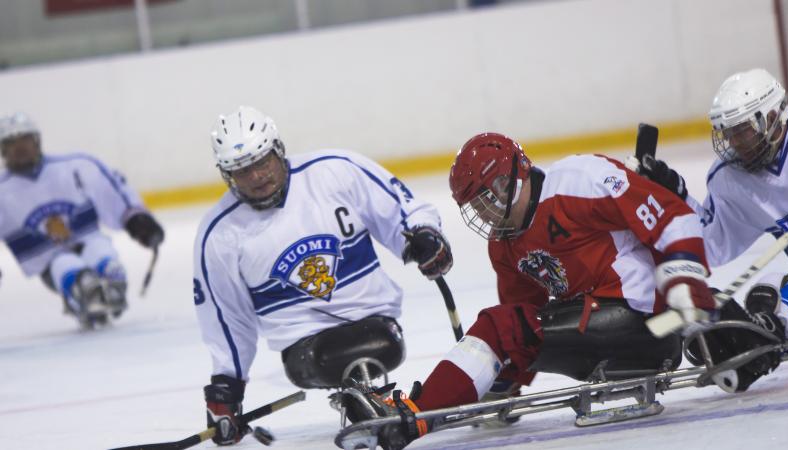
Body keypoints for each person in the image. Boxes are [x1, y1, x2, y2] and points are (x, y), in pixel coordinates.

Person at [341, 132, 787, 450]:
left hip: (643, 320)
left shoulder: (579, 179)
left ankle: (412, 414)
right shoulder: (503, 244)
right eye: (475, 205)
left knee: (496, 325)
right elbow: (521, 321)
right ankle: (423, 411)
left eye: (488, 196)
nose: (485, 212)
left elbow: (672, 215)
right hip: (600, 335)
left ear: (512, 176)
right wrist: (500, 383)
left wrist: (685, 279)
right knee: (503, 325)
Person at [193, 106, 453, 446]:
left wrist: (425, 236)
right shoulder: (220, 234)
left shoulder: (334, 171)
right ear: (227, 175)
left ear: (278, 150)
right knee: (330, 358)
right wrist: (226, 390)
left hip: (376, 324)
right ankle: (369, 405)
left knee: (379, 344)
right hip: (306, 348)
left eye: (262, 162)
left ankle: (372, 404)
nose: (256, 176)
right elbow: (228, 320)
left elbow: (402, 210)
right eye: (242, 170)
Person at [635, 68, 788, 359]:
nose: (734, 143)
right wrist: (675, 195)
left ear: (773, 117)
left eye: (742, 130)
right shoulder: (731, 178)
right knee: (764, 301)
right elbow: (712, 245)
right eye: (729, 133)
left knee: (779, 316)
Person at [0, 112, 164, 328]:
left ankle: (112, 286)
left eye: (25, 140)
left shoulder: (75, 166)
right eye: (12, 143)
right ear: (3, 150)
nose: (20, 147)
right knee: (67, 267)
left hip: (90, 242)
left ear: (37, 141)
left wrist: (136, 219)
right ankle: (84, 292)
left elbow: (114, 189)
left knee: (104, 258)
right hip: (50, 262)